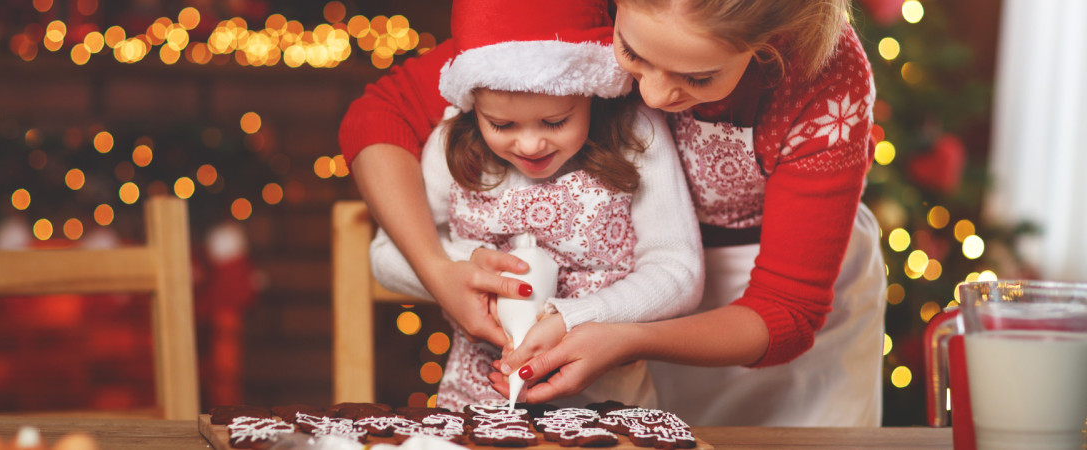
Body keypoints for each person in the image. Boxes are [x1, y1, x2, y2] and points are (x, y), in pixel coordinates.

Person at [339, 0, 887, 427]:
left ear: (767, 46)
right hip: (613, 320)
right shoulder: (573, 16)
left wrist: (623, 333)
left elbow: (784, 312)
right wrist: (438, 269)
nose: (649, 93)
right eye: (632, 53)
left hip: (754, 331)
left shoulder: (826, 80)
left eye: (698, 78)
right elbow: (380, 114)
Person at [367, 0, 703, 411]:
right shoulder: (452, 142)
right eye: (502, 125)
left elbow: (679, 271)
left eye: (556, 121)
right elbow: (385, 255)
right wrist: (457, 270)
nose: (529, 145)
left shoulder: (636, 134)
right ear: (473, 106)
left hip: (610, 405)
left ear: (592, 93)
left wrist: (576, 316)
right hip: (476, 407)